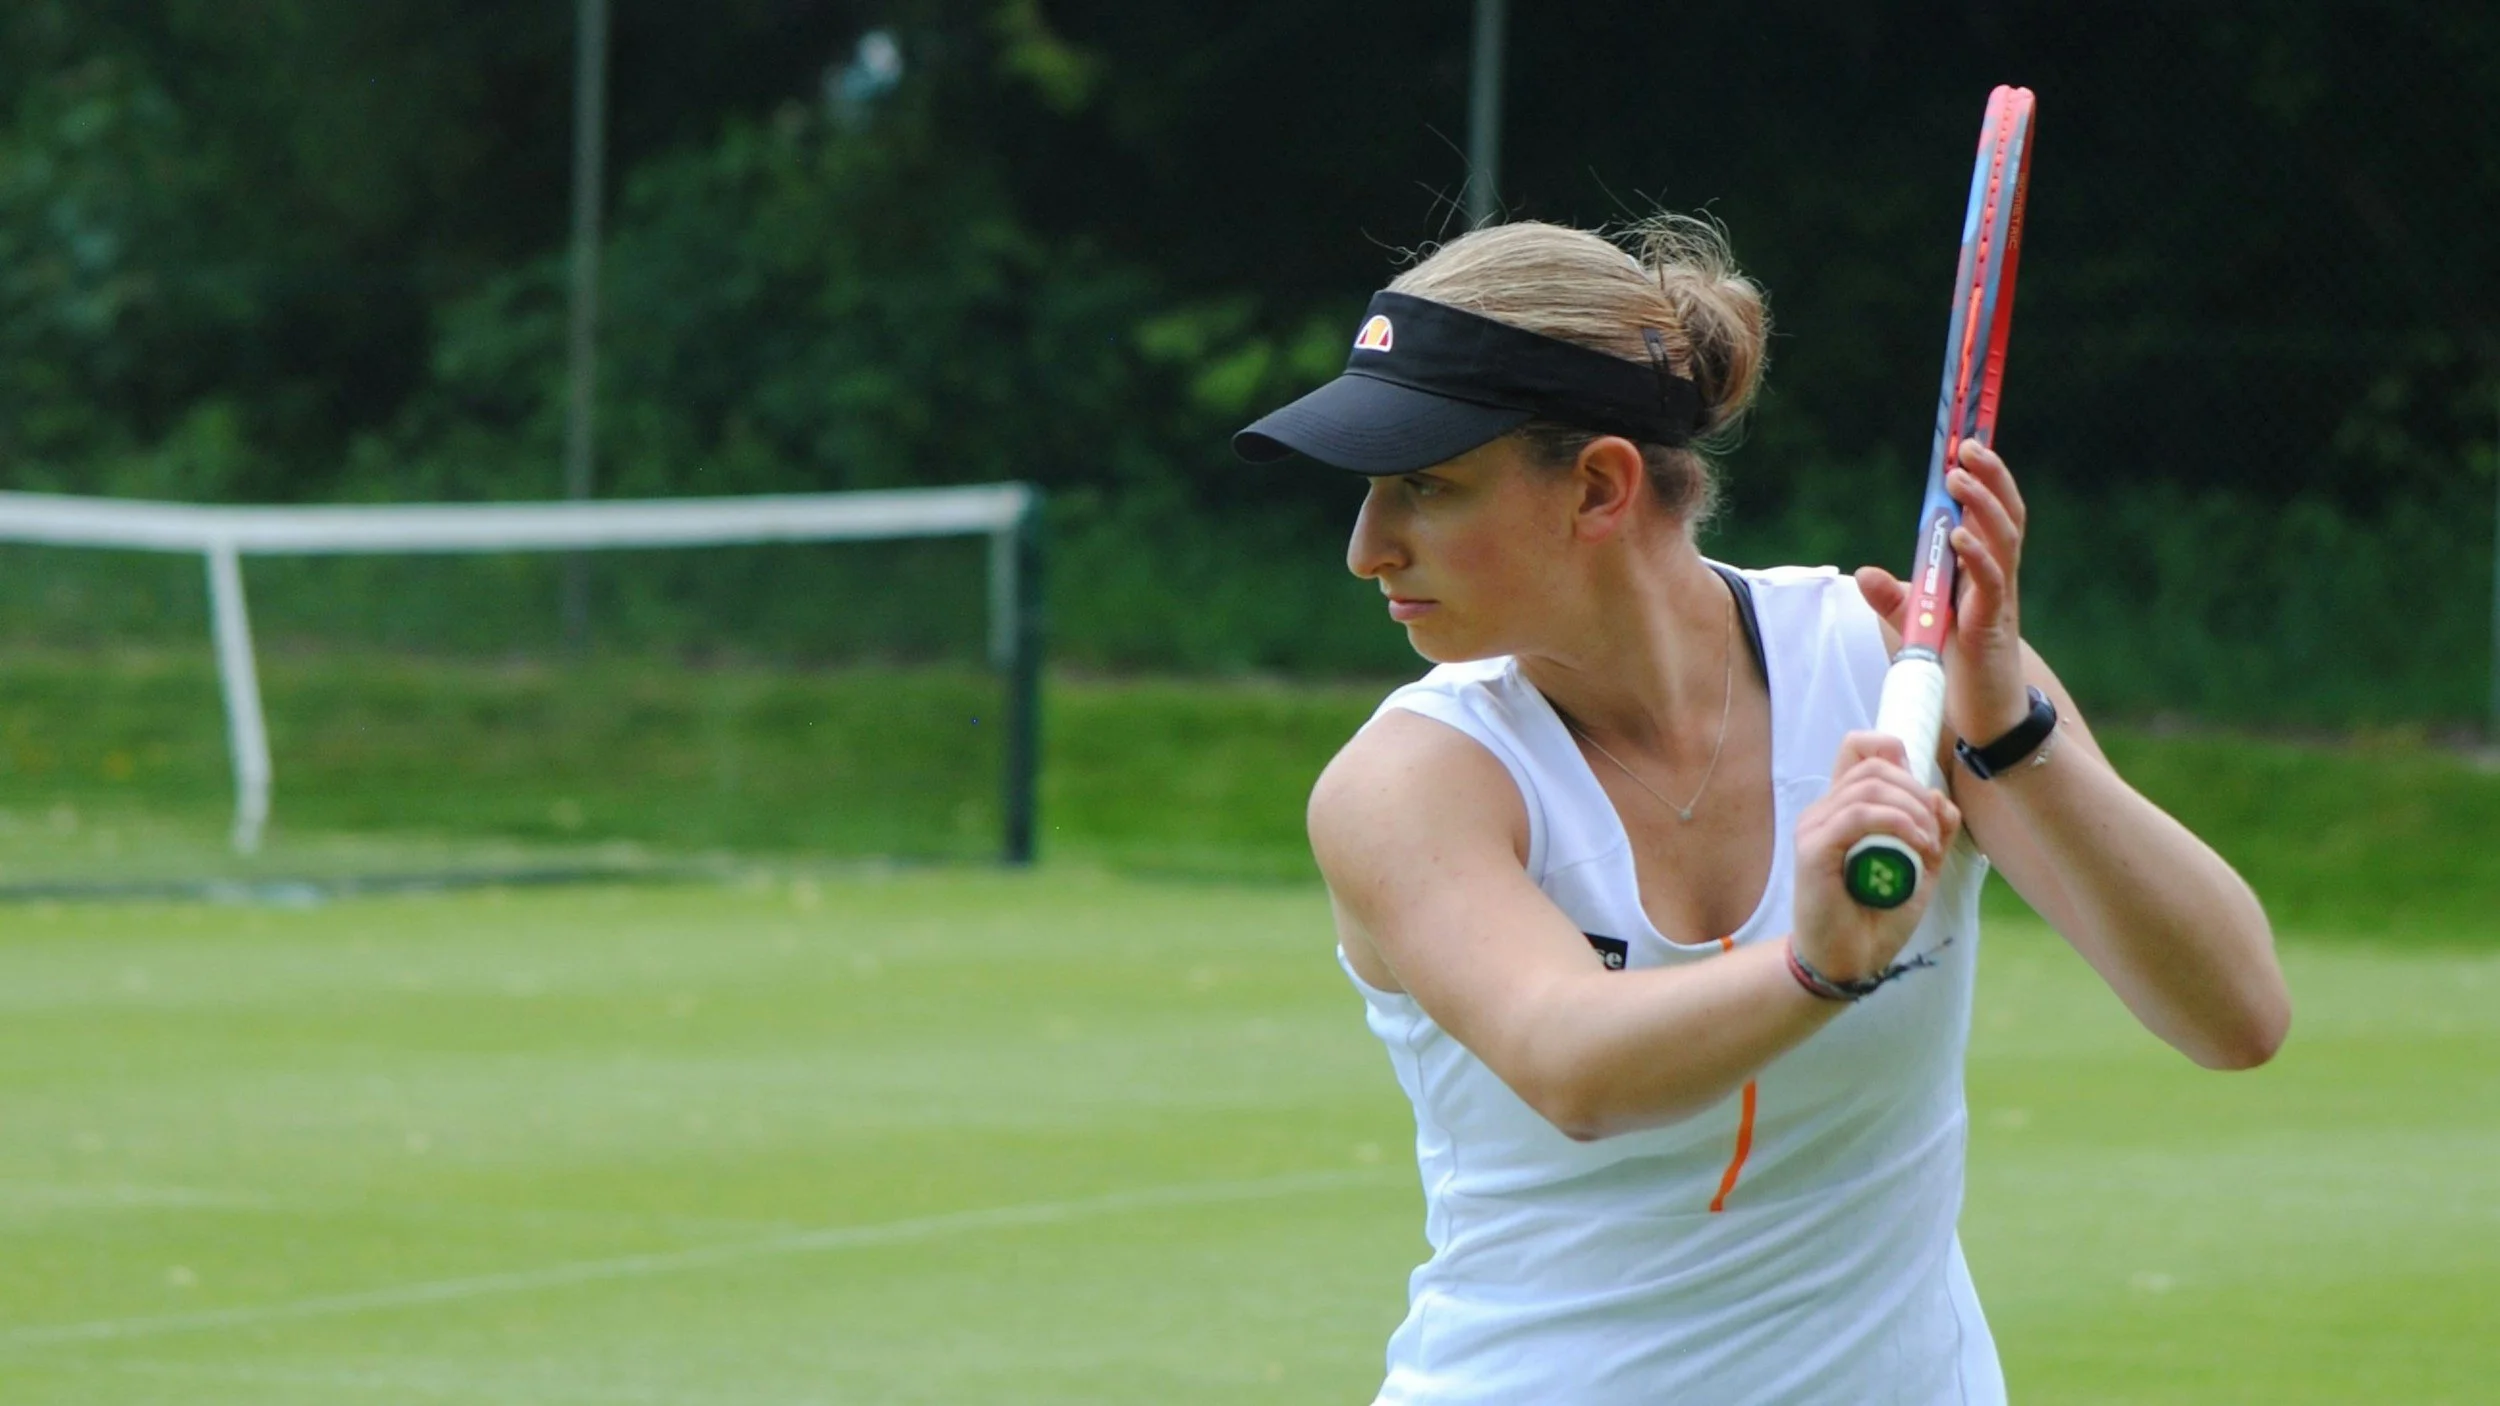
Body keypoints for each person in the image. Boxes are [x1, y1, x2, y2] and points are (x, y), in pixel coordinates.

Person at [1231, 216, 2290, 1404]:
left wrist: (2007, 728)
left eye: (1425, 485)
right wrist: (1816, 966)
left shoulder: (1902, 663)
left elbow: (2233, 1012)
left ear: (1597, 486)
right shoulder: (1411, 778)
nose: (1366, 547)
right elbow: (1571, 1065)